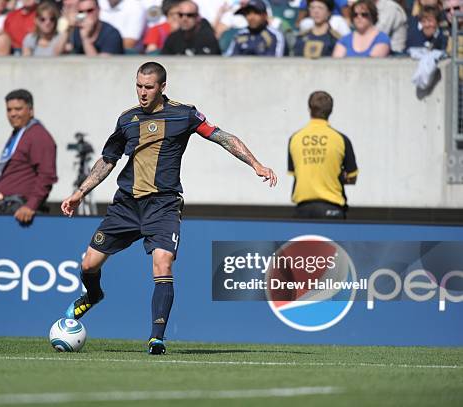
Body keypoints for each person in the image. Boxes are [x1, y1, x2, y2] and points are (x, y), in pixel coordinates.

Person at [60, 62, 277, 354]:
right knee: (88, 265)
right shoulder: (127, 119)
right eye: (138, 86)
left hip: (163, 204)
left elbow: (223, 137)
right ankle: (94, 295)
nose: (142, 93)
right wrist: (79, 192)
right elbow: (108, 160)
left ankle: (156, 338)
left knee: (163, 263)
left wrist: (256, 165)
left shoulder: (184, 114)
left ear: (163, 87)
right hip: (126, 205)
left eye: (148, 87)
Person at [0, 89, 58, 224]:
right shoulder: (19, 133)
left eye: (18, 109)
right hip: (3, 206)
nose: (12, 114)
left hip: (21, 212)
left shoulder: (38, 135)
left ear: (31, 110)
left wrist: (30, 206)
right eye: (9, 110)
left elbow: (47, 175)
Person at [287, 91, 358, 219]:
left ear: (309, 109)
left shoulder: (295, 138)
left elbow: (296, 173)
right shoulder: (341, 139)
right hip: (332, 209)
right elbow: (352, 177)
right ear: (330, 111)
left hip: (302, 210)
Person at [54, 0, 124, 55]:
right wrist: (68, 29)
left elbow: (101, 67)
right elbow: (55, 56)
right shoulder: (76, 31)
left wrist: (85, 39)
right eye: (81, 12)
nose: (86, 15)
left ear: (98, 10)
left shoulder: (111, 34)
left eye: (90, 11)